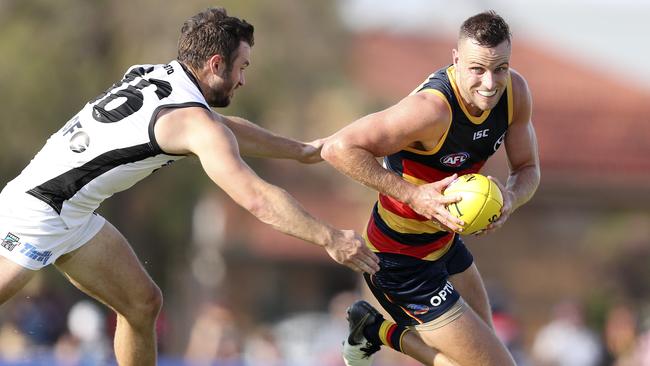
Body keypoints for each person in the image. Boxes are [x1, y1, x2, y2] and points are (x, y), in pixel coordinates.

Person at [0, 7, 379, 366]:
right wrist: (329, 237)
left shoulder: (155, 76)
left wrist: (298, 150)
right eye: (241, 67)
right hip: (39, 211)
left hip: (73, 213)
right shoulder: (194, 122)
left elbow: (223, 127)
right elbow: (258, 199)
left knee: (142, 302)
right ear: (216, 64)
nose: (243, 79)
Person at [321, 10, 540, 366]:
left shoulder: (515, 93)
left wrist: (511, 199)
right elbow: (339, 149)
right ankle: (376, 330)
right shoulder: (430, 110)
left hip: (446, 246)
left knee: (489, 355)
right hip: (399, 260)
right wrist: (414, 196)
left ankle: (371, 327)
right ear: (455, 60)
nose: (489, 82)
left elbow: (528, 169)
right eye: (477, 69)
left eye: (500, 68)